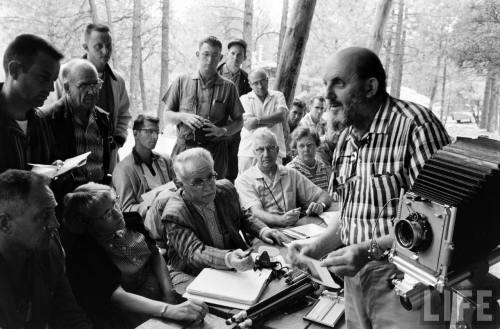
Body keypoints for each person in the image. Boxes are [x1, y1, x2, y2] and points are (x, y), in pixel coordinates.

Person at [288, 47, 451, 329]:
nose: (327, 95)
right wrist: (318, 245)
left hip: (406, 285)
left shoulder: (416, 127)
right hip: (355, 282)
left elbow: (438, 228)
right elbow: (350, 216)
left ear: (370, 87)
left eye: (338, 83)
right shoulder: (346, 139)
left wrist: (367, 250)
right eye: (326, 83)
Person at [62, 182, 208, 328]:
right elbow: (118, 297)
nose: (117, 213)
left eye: (115, 204)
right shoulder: (85, 252)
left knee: (206, 301)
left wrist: (168, 294)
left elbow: (155, 256)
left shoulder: (131, 220)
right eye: (107, 214)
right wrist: (169, 310)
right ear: (89, 224)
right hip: (131, 303)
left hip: (162, 278)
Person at [161, 147, 288, 275]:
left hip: (233, 262)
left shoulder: (226, 190)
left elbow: (243, 216)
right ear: (180, 184)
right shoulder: (174, 214)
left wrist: (263, 230)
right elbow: (194, 251)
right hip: (193, 273)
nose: (208, 187)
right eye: (198, 182)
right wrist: (228, 258)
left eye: (211, 177)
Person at [0, 169, 92, 329]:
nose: (55, 224)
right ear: (5, 224)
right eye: (44, 216)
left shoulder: (49, 251)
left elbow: (70, 317)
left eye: (54, 212)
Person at [51, 23, 131, 173]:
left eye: (109, 46)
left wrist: (118, 140)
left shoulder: (117, 81)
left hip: (105, 164)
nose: (105, 51)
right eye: (98, 46)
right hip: (70, 162)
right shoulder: (64, 75)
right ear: (85, 47)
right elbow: (53, 114)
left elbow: (123, 114)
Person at [162, 36, 244, 179]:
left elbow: (239, 121)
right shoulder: (181, 81)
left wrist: (222, 130)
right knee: (181, 192)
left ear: (221, 58)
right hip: (185, 150)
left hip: (215, 153)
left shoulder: (229, 87)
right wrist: (183, 116)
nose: (210, 60)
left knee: (213, 194)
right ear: (197, 55)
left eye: (215, 55)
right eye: (206, 54)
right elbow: (167, 115)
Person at [235, 128, 332, 228]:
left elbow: (324, 195)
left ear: (277, 150)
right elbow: (257, 213)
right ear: (254, 152)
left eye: (270, 148)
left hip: (295, 230)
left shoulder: (290, 173)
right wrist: (281, 220)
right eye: (260, 149)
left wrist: (320, 205)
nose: (266, 154)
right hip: (264, 234)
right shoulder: (244, 180)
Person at [44, 59, 113, 187]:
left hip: (99, 194)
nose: (92, 92)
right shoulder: (48, 119)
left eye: (95, 84)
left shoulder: (104, 118)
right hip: (67, 200)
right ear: (67, 88)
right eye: (84, 86)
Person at [0, 34, 63, 173]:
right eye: (43, 78)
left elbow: (49, 161)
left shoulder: (41, 120)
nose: (51, 89)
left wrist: (54, 166)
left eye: (53, 80)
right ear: (15, 70)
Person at [112, 115, 175, 218]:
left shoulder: (165, 160)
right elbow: (126, 210)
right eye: (149, 131)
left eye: (157, 132)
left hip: (171, 214)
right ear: (135, 133)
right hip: (146, 224)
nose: (155, 136)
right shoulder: (123, 169)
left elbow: (176, 188)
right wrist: (154, 204)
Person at [238, 69, 288, 173]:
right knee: (246, 185)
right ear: (250, 84)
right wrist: (273, 119)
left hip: (274, 151)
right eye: (255, 83)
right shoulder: (244, 99)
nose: (260, 86)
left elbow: (281, 116)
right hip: (249, 152)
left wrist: (257, 119)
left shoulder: (278, 95)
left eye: (262, 81)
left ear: (267, 80)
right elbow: (249, 125)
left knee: (275, 185)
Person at [217, 39, 252, 182]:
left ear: (244, 58)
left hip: (237, 131)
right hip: (218, 129)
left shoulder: (247, 79)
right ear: (226, 54)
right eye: (232, 53)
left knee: (233, 170)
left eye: (239, 55)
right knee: (216, 169)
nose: (235, 58)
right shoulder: (215, 73)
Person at [286, 127, 331, 191]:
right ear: (296, 148)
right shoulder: (291, 170)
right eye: (301, 146)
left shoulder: (324, 168)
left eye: (309, 145)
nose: (306, 149)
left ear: (316, 146)